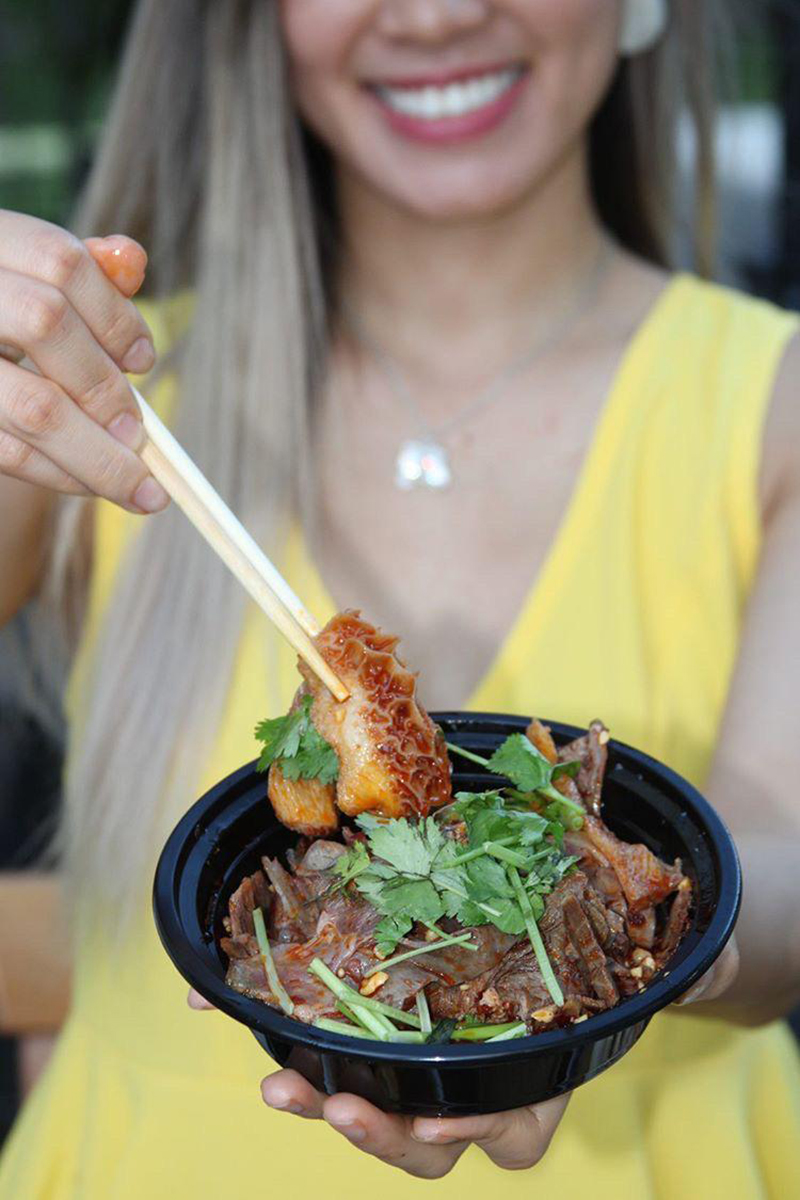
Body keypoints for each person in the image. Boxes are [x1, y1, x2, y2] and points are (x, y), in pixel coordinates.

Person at [0, 0, 798, 1195]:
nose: (435, 15)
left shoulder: (773, 403)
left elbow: (784, 866)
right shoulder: (88, 399)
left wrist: (640, 960)